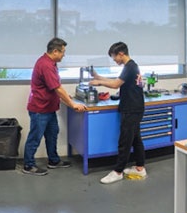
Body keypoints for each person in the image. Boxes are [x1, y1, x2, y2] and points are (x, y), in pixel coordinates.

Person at [21, 38, 85, 175]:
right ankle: (28, 165)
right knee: (35, 137)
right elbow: (57, 88)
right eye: (63, 52)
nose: (64, 55)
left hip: (49, 108)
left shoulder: (51, 63)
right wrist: (72, 103)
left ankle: (53, 160)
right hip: (40, 109)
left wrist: (67, 97)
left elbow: (55, 87)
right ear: (55, 51)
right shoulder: (46, 65)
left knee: (52, 134)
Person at [88, 42, 145, 184]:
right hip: (135, 107)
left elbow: (115, 85)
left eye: (114, 57)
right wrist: (99, 77)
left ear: (121, 54)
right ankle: (140, 168)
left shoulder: (130, 67)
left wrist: (99, 83)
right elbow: (117, 81)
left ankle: (118, 171)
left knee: (125, 141)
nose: (114, 60)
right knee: (136, 138)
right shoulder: (131, 66)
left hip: (132, 109)